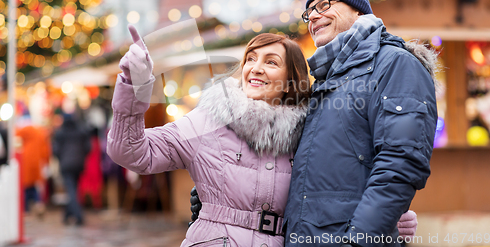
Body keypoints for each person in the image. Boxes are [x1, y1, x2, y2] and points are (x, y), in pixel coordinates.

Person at [108, 25, 417, 246]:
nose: (255, 68)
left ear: (290, 81)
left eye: (271, 62)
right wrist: (133, 85)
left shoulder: (309, 135)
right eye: (251, 59)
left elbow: (339, 189)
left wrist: (391, 218)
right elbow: (131, 152)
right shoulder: (209, 120)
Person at [283, 0, 438, 247]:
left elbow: (400, 162)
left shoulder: (395, 63)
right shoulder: (324, 81)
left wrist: (360, 240)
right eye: (309, 13)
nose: (313, 17)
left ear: (358, 12)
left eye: (324, 5)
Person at [52, 112, 91, 225]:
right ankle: (67, 215)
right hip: (79, 165)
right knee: (73, 189)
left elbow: (55, 150)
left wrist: (61, 159)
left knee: (71, 190)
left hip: (66, 165)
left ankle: (78, 216)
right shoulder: (81, 131)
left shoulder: (60, 133)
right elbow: (88, 147)